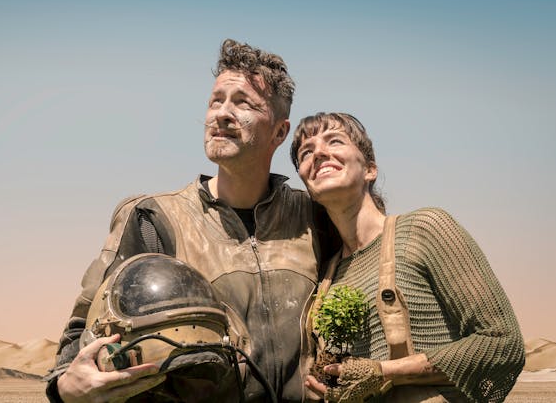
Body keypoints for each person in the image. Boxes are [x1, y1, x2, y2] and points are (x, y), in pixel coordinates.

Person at [45, 39, 337, 402]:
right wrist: (64, 385)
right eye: (217, 100)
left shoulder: (315, 217)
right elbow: (85, 326)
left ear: (279, 132)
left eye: (243, 103)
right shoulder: (154, 219)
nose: (222, 114)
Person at [291, 112, 525, 402]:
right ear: (307, 185)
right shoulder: (325, 280)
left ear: (370, 169)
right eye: (306, 152)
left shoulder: (424, 228)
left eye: (334, 141)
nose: (319, 153)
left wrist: (384, 371)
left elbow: (503, 343)